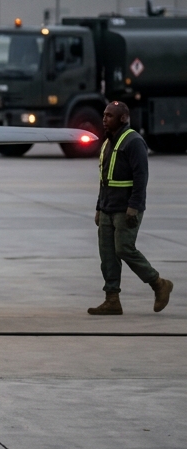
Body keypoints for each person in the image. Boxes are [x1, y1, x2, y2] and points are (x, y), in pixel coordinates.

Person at [89, 101, 172, 315]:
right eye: (104, 115)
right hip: (108, 207)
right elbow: (104, 179)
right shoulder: (108, 142)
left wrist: (134, 207)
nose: (104, 119)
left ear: (123, 118)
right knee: (107, 255)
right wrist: (99, 207)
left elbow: (141, 177)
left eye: (109, 116)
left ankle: (159, 284)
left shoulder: (134, 141)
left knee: (124, 248)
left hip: (125, 209)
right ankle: (112, 299)